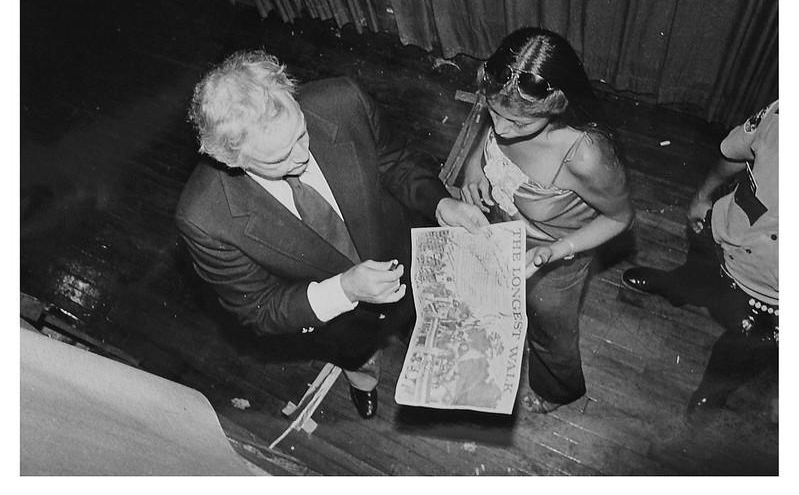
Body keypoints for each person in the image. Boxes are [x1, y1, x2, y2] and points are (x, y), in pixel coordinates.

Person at [175, 50, 488, 419]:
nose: (303, 156)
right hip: (338, 319)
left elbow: (395, 161)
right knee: (357, 355)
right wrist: (345, 290)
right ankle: (362, 376)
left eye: (301, 133)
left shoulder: (342, 101)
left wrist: (439, 204)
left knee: (425, 322)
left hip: (407, 257)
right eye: (278, 159)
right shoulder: (204, 218)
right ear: (230, 160)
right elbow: (260, 308)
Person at [459, 28, 634, 413]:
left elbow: (620, 217)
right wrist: (475, 162)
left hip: (555, 255)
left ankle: (557, 390)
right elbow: (492, 126)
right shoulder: (505, 107)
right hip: (502, 228)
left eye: (519, 125)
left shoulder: (583, 155)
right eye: (494, 113)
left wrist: (559, 249)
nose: (503, 130)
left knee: (550, 332)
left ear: (556, 106)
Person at [622, 100, 778, 424]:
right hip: (722, 236)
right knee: (695, 276)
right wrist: (704, 195)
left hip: (774, 293)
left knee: (738, 352)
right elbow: (735, 152)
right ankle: (675, 288)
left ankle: (712, 392)